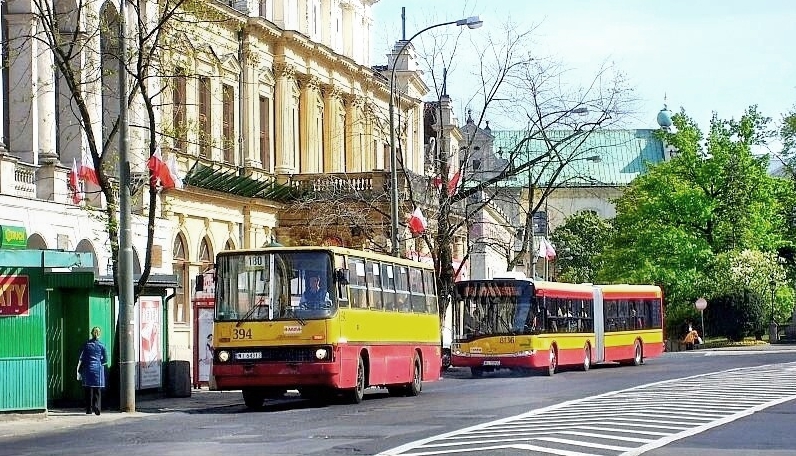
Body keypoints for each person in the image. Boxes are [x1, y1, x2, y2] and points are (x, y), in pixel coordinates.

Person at [77, 326, 108, 415]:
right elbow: (105, 360)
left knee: (88, 390)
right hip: (98, 369)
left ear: (91, 333)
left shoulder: (86, 345)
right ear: (99, 334)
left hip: (88, 369)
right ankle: (97, 407)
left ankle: (89, 409)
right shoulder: (102, 345)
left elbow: (83, 358)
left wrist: (79, 369)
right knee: (97, 390)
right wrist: (99, 362)